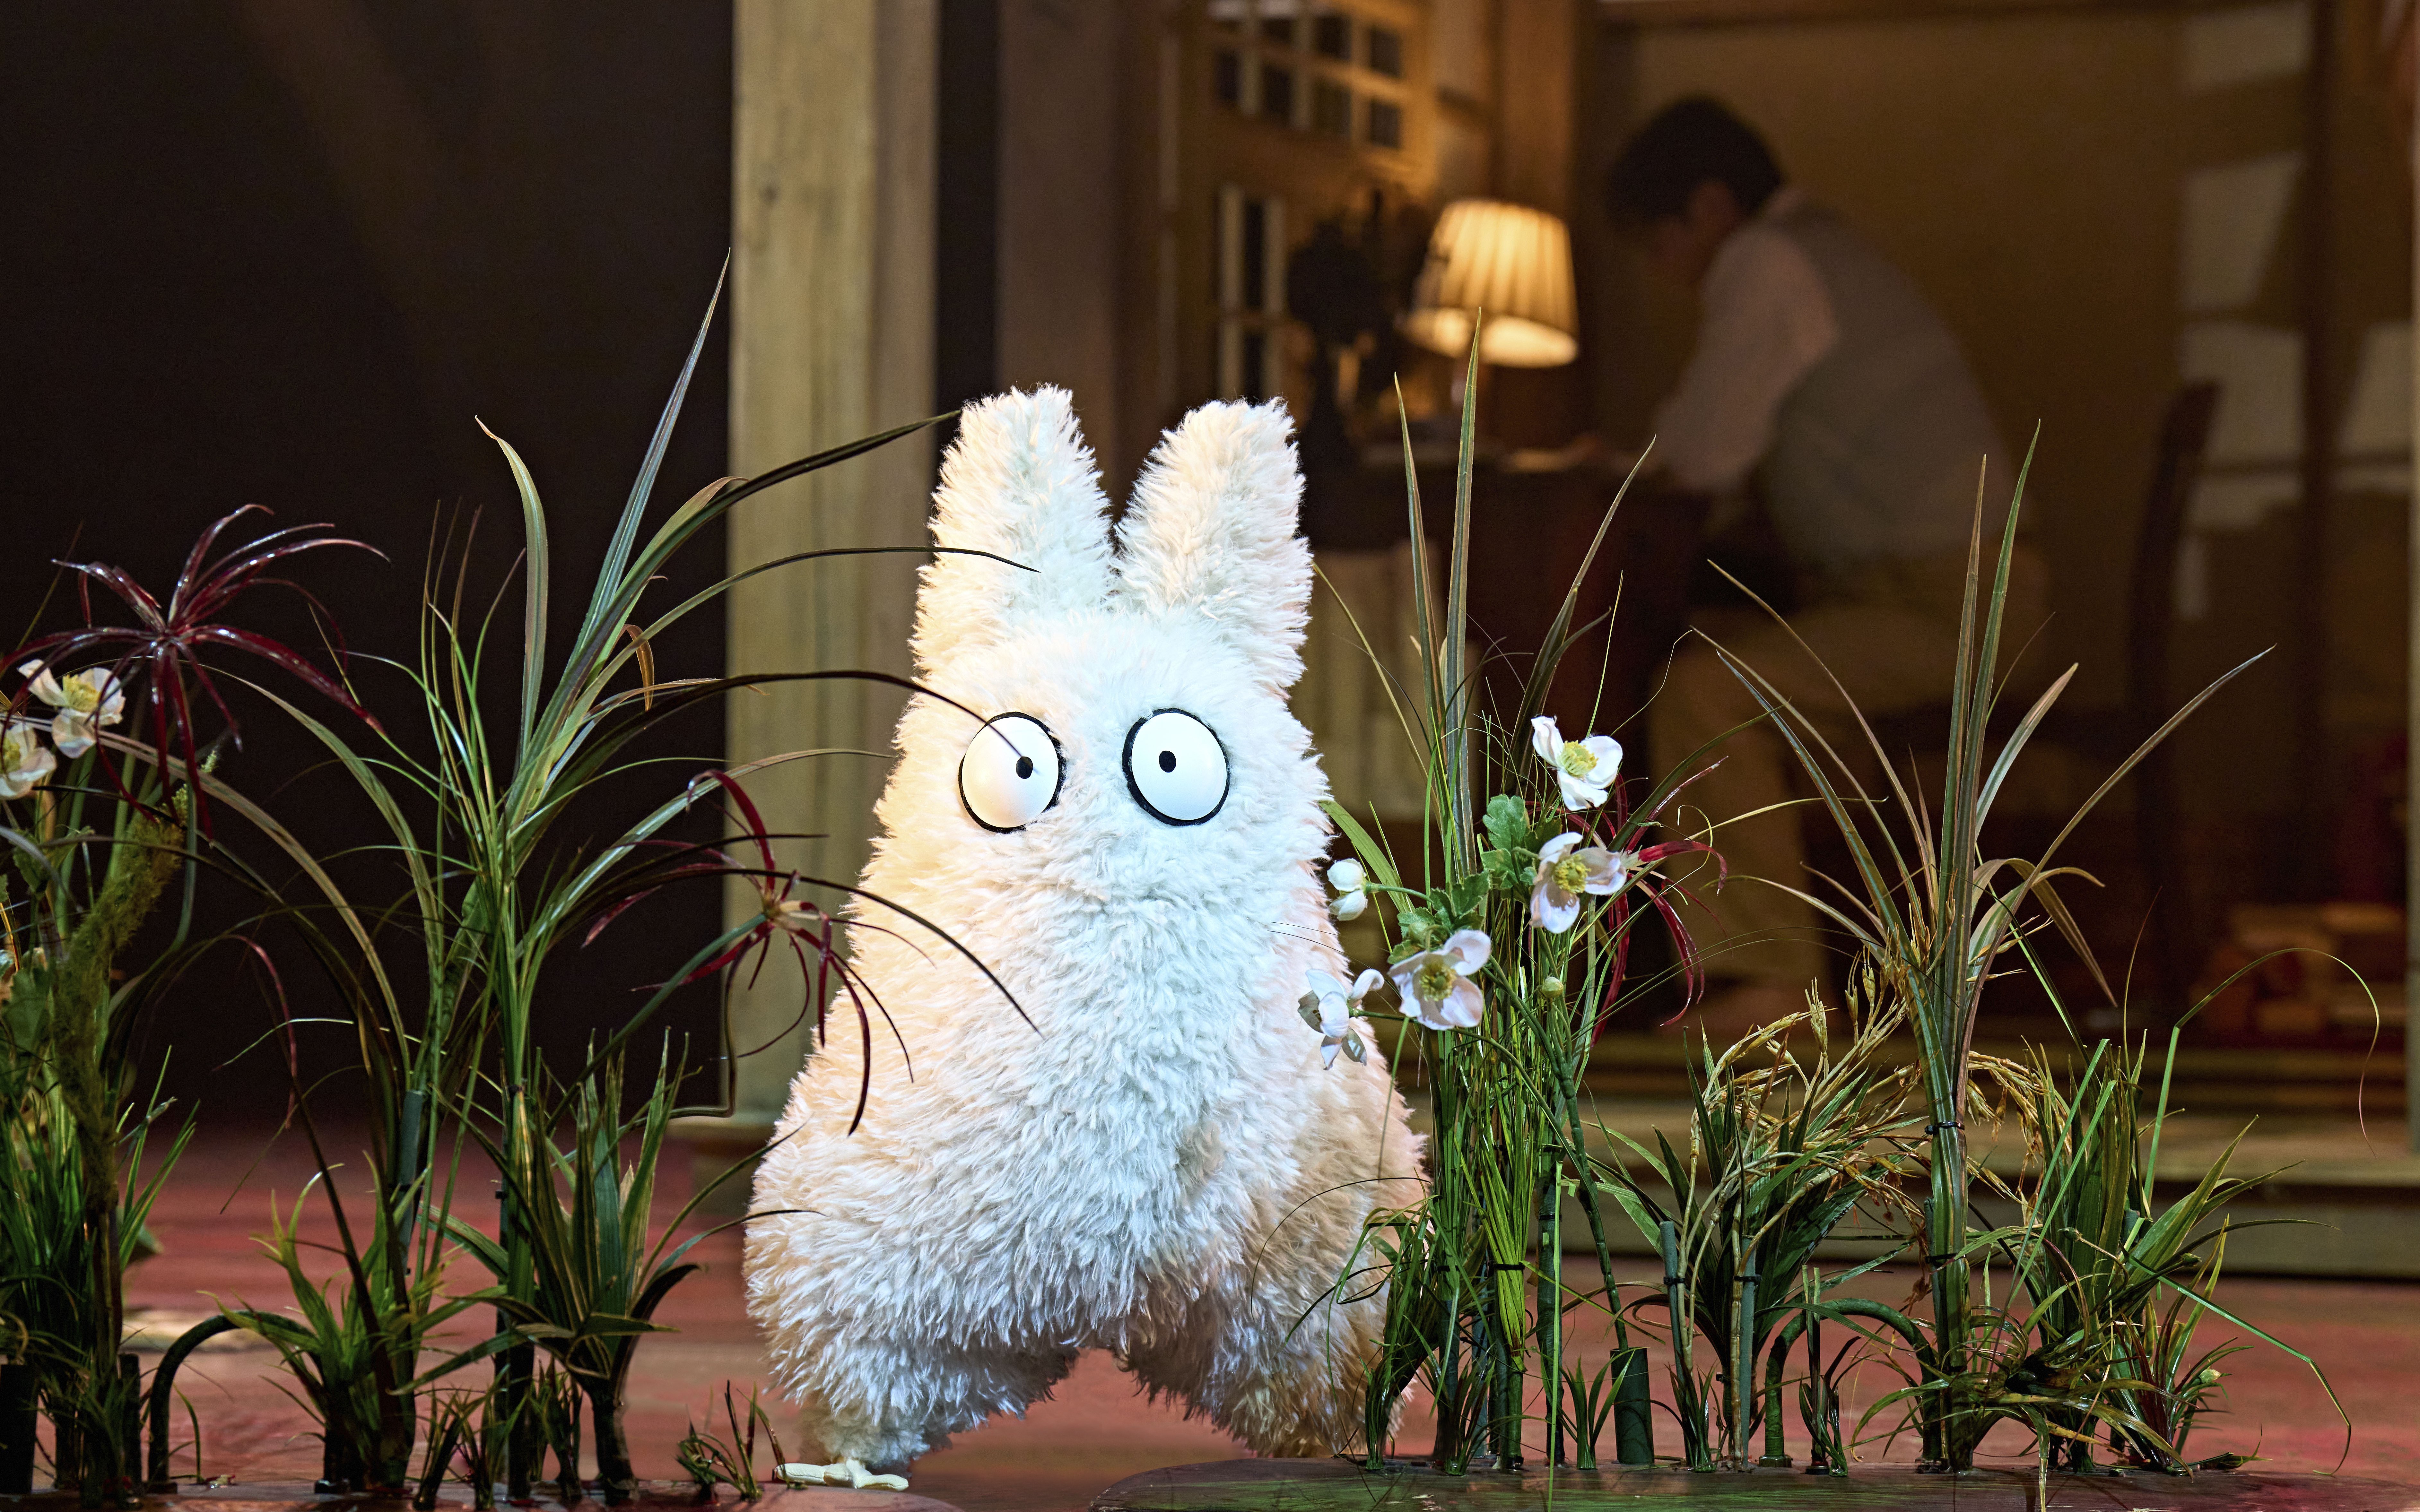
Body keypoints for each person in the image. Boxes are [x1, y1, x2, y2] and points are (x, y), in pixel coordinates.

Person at [1609, 96, 2048, 1033]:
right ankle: (1719, 954)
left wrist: (1600, 464)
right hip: (1955, 591)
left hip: (1948, 606)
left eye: (1657, 240)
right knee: (1710, 657)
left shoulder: (1767, 261)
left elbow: (1702, 451)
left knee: (1700, 692)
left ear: (1710, 209)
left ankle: (1770, 980)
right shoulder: (1821, 249)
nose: (1660, 270)